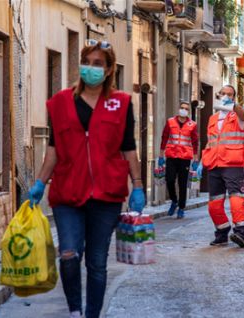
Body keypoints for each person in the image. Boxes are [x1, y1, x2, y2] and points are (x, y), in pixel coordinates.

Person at [28, 39, 145, 318]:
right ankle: (74, 312)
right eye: (86, 63)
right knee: (68, 255)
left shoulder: (122, 103)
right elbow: (53, 149)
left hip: (107, 195)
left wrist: (137, 186)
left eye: (97, 64)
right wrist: (40, 183)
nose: (90, 68)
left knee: (96, 263)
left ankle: (91, 315)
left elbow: (128, 147)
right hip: (68, 192)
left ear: (108, 70)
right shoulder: (60, 103)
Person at [197, 85, 244, 247]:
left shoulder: (239, 115)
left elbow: (243, 114)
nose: (226, 96)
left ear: (234, 97)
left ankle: (241, 232)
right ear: (218, 95)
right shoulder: (212, 119)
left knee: (236, 199)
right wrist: (201, 162)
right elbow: (210, 142)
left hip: (233, 163)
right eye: (223, 94)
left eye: (230, 94)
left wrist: (233, 106)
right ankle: (222, 232)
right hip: (214, 163)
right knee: (214, 204)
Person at [158, 101, 199, 219]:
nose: (183, 110)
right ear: (178, 109)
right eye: (182, 107)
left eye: (186, 108)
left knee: (182, 183)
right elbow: (164, 138)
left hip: (185, 158)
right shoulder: (170, 121)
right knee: (169, 180)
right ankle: (174, 201)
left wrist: (196, 159)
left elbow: (195, 142)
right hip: (171, 156)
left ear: (188, 112)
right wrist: (161, 156)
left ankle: (181, 207)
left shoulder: (192, 124)